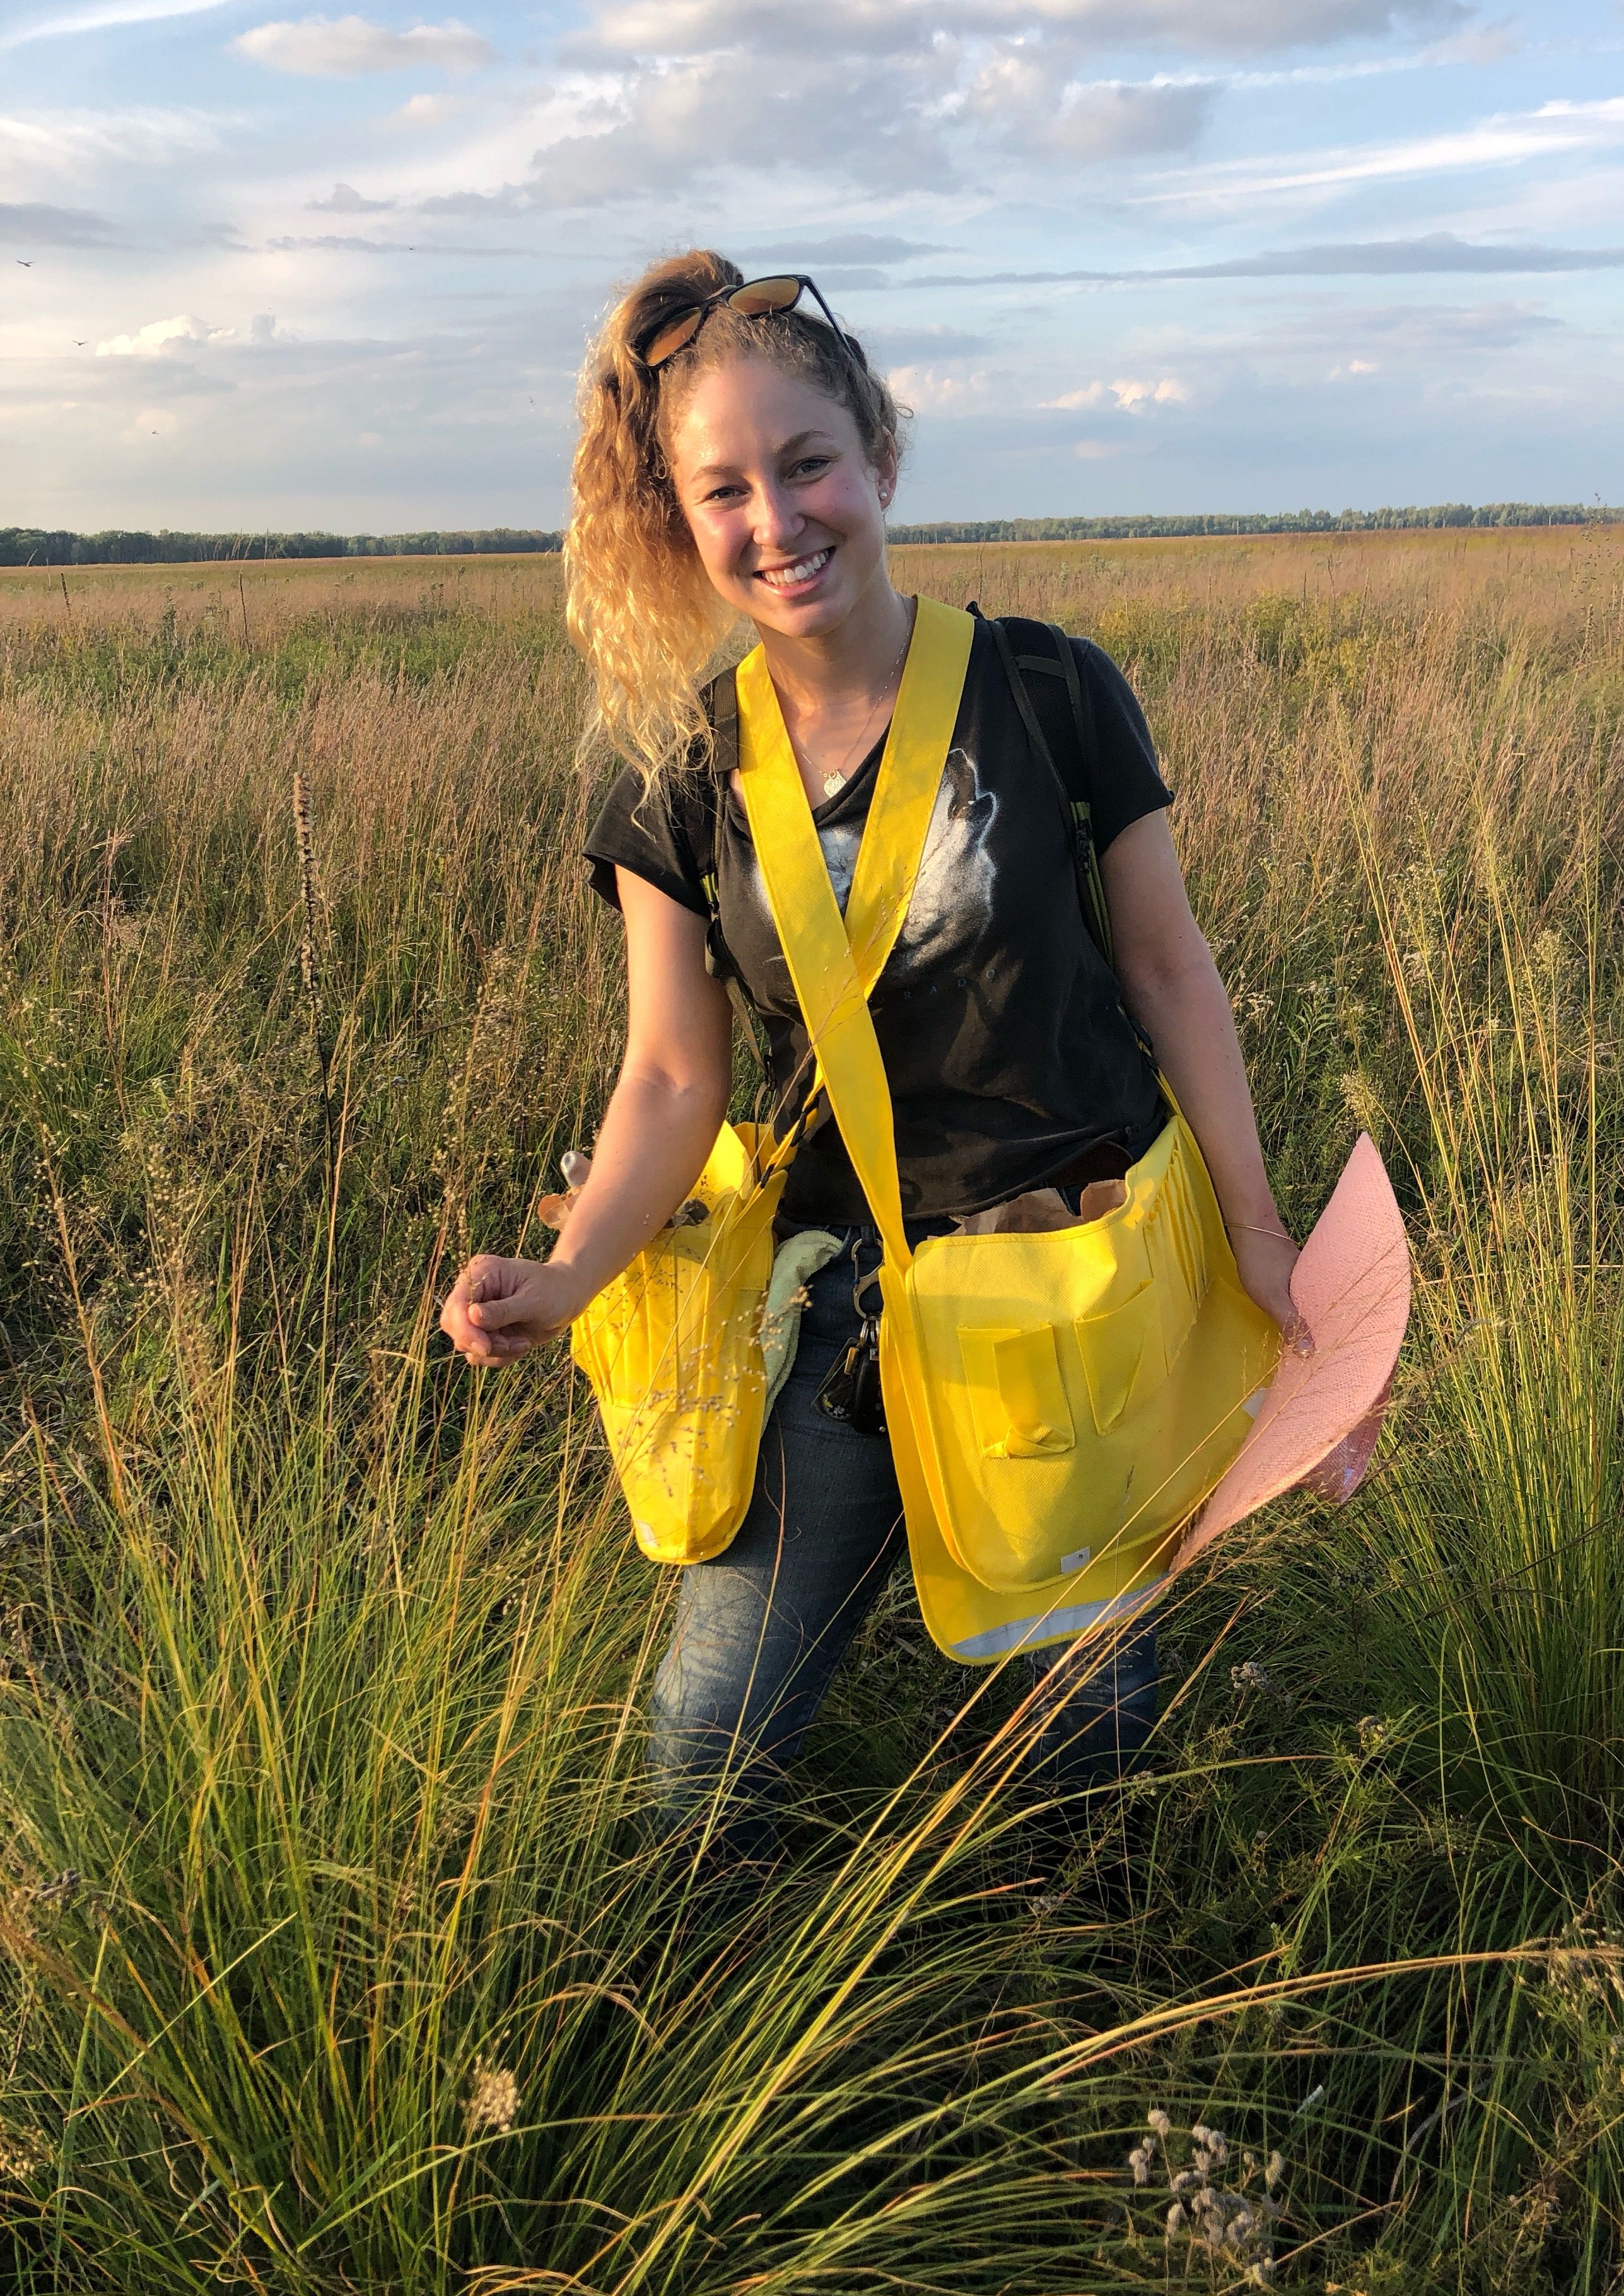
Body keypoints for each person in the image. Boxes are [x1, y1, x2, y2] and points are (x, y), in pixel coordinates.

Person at [438, 250, 1311, 1865]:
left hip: (1083, 1284)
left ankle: (1087, 2029)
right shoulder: (678, 772)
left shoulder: (1052, 689)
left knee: (1088, 1755)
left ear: (882, 458)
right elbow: (669, 1080)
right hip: (846, 1301)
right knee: (707, 1760)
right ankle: (698, 2041)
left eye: (807, 463)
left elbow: (1169, 967)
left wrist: (1259, 1233)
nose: (777, 521)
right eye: (724, 491)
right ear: (679, 521)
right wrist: (564, 1280)